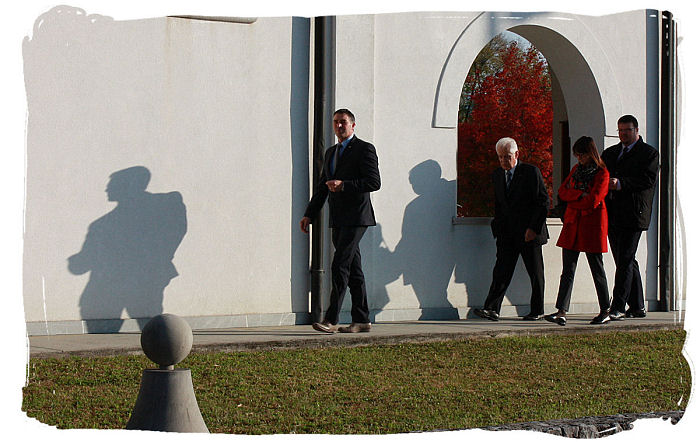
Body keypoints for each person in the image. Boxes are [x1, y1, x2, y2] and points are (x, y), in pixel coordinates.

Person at [300, 109, 381, 333]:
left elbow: (374, 182)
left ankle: (330, 319)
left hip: (357, 217)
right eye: (336, 122)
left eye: (343, 122)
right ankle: (361, 319)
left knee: (339, 265)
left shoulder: (364, 149)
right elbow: (322, 187)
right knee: (354, 270)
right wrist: (309, 214)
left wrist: (344, 185)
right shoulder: (331, 153)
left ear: (353, 125)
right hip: (338, 218)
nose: (339, 126)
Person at [473, 137, 549, 321]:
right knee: (501, 271)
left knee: (535, 273)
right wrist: (498, 229)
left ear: (516, 154)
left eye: (507, 156)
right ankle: (492, 308)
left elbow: (543, 201)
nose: (503, 161)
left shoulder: (530, 172)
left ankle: (537, 310)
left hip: (529, 232)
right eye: (500, 157)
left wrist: (533, 228)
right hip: (507, 232)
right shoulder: (497, 175)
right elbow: (499, 204)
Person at [545, 136, 611, 326]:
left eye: (581, 154)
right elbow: (562, 191)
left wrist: (574, 199)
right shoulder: (576, 170)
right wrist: (580, 195)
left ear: (590, 153)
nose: (579, 158)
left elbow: (594, 199)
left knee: (597, 269)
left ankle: (605, 309)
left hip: (592, 226)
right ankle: (561, 310)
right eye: (577, 155)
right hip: (573, 224)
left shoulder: (602, 173)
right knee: (568, 269)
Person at [601, 115, 659, 321]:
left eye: (627, 130)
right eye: (620, 130)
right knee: (624, 260)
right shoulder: (611, 153)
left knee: (625, 260)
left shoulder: (649, 153)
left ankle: (618, 306)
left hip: (634, 214)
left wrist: (620, 184)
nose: (623, 134)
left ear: (636, 130)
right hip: (613, 213)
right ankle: (637, 305)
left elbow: (647, 180)